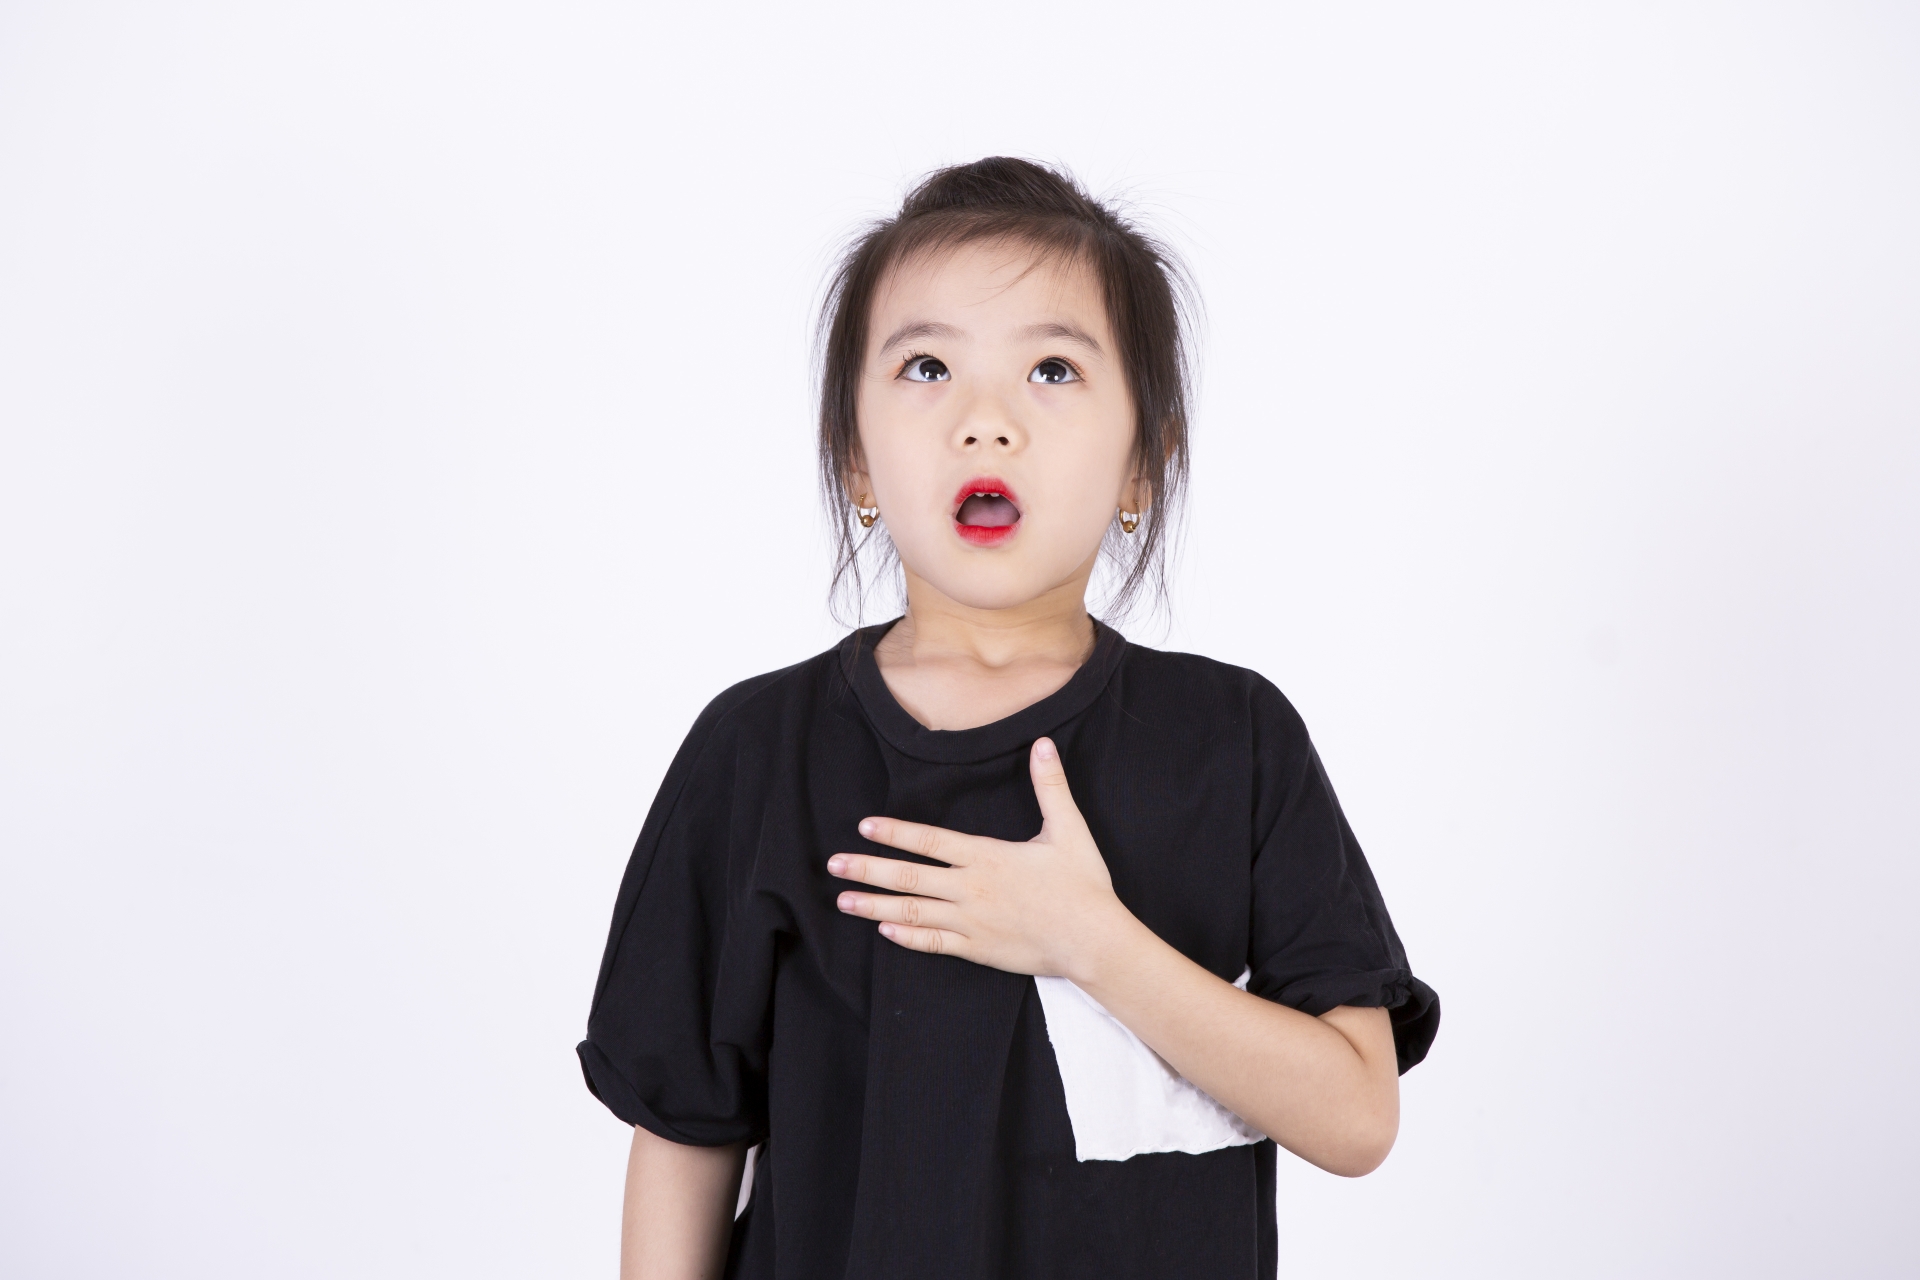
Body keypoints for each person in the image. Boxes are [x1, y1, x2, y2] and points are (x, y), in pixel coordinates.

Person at [577, 156, 1439, 1280]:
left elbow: (1357, 1114)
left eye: (1052, 369)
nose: (986, 422)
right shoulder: (756, 751)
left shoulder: (1234, 738)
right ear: (855, 458)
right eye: (928, 366)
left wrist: (1089, 940)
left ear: (1144, 461)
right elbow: (687, 1135)